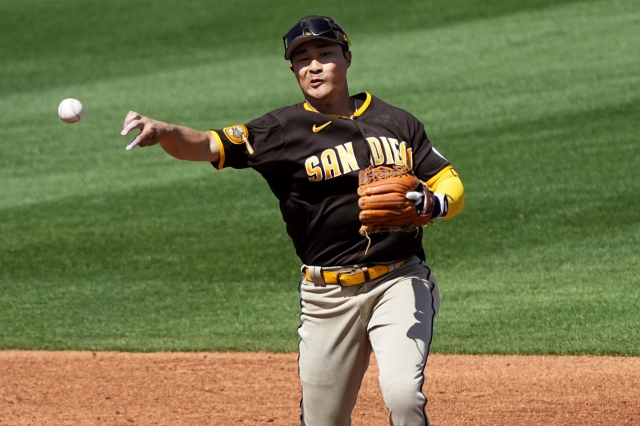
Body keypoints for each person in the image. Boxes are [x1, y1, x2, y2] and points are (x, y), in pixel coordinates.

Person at [121, 15, 464, 426]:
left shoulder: (397, 122)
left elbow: (447, 179)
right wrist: (166, 131)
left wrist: (435, 205)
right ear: (293, 70)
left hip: (399, 280)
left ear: (347, 58)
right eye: (303, 59)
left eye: (324, 54)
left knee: (403, 395)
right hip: (326, 298)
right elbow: (208, 144)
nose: (314, 66)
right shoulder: (281, 130)